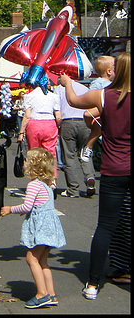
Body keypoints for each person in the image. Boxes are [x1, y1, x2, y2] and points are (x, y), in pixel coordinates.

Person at [58, 51, 130, 300]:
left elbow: (75, 101)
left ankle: (92, 283)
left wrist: (67, 83)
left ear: (116, 71)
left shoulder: (103, 95)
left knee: (105, 228)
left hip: (112, 170)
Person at [1, 147, 65, 308]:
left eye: (27, 160)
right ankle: (51, 294)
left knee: (32, 258)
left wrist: (10, 209)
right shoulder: (47, 184)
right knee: (43, 260)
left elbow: (27, 206)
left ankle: (41, 294)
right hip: (51, 228)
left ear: (34, 166)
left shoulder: (33, 185)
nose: (24, 162)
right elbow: (39, 205)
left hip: (41, 228)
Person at [54, 79, 96, 198]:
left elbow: (56, 109)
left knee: (69, 156)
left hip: (68, 122)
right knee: (85, 153)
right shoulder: (84, 88)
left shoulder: (59, 89)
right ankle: (90, 178)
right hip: (84, 121)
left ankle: (73, 189)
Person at [17, 84, 62, 179]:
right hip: (50, 123)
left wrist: (21, 132)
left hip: (34, 123)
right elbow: (58, 116)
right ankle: (51, 178)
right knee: (50, 153)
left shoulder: (29, 96)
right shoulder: (54, 96)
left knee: (34, 153)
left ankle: (35, 178)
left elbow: (27, 115)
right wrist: (57, 126)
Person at [79, 55, 115, 163]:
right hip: (99, 111)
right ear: (109, 71)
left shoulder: (114, 83)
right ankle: (88, 147)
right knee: (97, 128)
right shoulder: (98, 83)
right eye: (115, 68)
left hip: (110, 114)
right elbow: (92, 99)